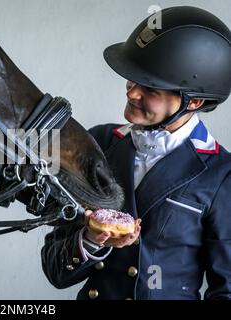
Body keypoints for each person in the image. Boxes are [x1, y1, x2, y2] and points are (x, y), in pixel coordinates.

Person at [41, 6, 231, 300]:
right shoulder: (99, 141)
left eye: (151, 88)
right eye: (133, 79)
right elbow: (55, 269)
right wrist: (91, 240)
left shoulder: (222, 174)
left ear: (194, 102)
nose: (131, 93)